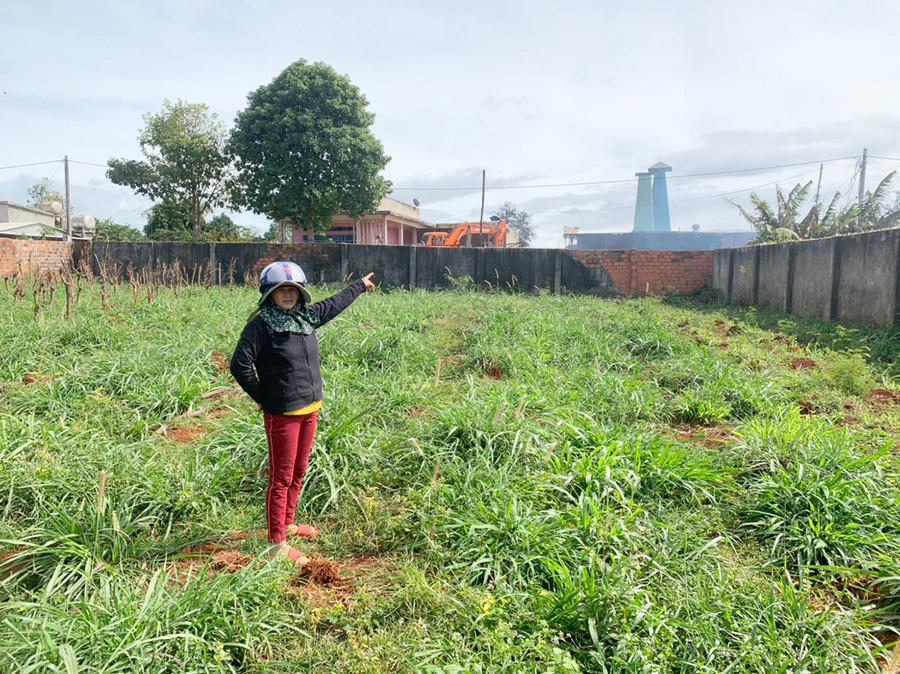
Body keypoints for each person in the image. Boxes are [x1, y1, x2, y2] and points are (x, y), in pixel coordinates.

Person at [230, 261, 375, 564]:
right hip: (282, 412)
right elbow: (239, 365)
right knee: (280, 477)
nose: (287, 294)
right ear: (269, 293)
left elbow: (333, 305)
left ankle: (288, 524)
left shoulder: (306, 317)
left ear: (300, 293)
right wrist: (262, 396)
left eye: (292, 289)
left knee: (298, 471)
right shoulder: (260, 325)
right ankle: (276, 544)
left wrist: (359, 286)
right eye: (280, 289)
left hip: (310, 406)